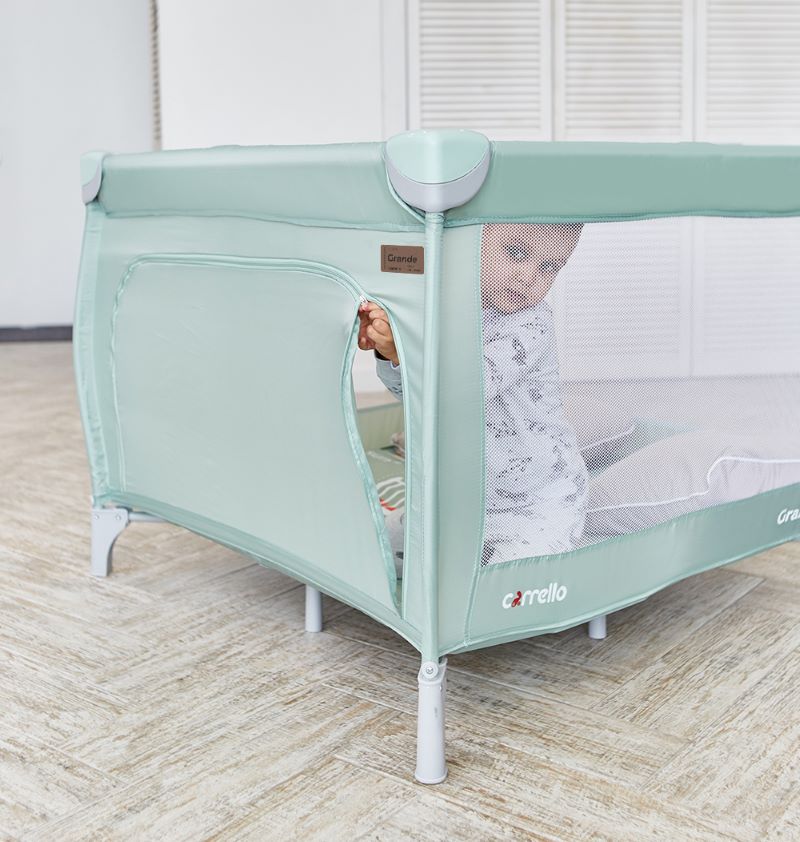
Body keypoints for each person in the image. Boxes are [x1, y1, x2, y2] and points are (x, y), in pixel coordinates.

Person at [359, 223, 588, 568]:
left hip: (537, 504)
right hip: (459, 504)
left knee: (511, 587)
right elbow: (412, 395)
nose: (528, 276)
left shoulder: (531, 324)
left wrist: (405, 353)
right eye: (516, 253)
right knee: (369, 550)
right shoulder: (443, 307)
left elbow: (466, 387)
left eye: (549, 267)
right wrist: (389, 351)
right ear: (474, 241)